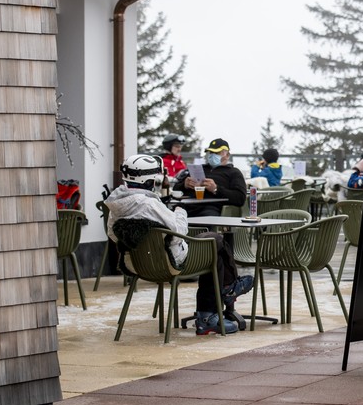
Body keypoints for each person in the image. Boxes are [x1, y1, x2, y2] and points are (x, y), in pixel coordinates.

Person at [106, 154, 253, 335]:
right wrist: (181, 211)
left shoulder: (117, 205)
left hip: (137, 264)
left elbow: (113, 235)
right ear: (151, 179)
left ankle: (226, 290)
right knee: (214, 242)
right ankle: (213, 308)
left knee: (211, 241)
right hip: (169, 262)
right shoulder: (149, 205)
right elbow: (179, 233)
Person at [174, 138, 247, 217]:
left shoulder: (233, 172)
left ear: (227, 155)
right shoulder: (198, 168)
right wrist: (184, 185)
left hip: (210, 208)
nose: (213, 155)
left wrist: (216, 189)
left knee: (207, 217)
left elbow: (240, 198)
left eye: (217, 153)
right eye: (211, 152)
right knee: (169, 214)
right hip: (187, 206)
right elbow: (174, 190)